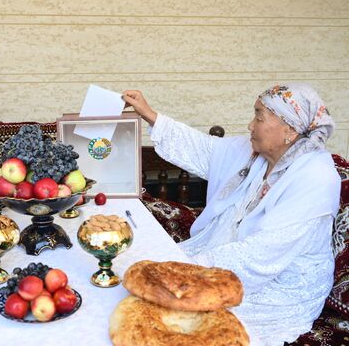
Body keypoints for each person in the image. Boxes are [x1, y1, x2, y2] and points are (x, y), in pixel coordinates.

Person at [123, 84, 341, 346]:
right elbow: (205, 149)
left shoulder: (315, 178)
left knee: (181, 316)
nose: (250, 125)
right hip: (229, 253)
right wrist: (150, 114)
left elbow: (261, 255)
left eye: (259, 117)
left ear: (290, 130)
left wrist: (185, 270)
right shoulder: (256, 152)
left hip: (280, 285)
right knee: (148, 295)